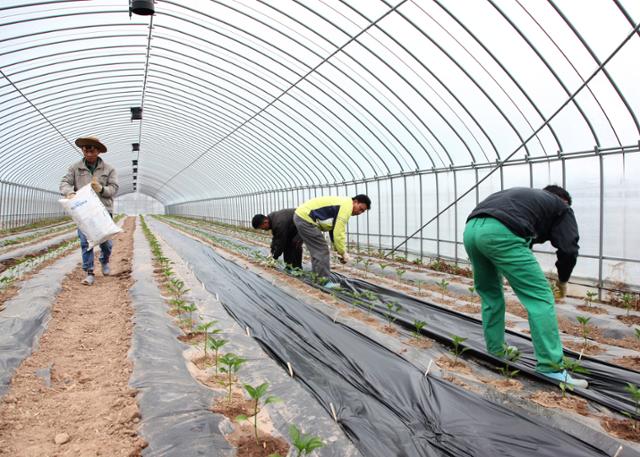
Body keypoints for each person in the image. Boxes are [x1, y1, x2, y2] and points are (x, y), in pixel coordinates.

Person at [463, 185, 587, 388]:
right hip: (501, 233)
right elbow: (568, 248)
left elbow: (523, 237)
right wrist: (562, 281)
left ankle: (496, 350)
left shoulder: (523, 197)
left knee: (490, 294)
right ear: (563, 201)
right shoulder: (561, 207)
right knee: (540, 297)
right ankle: (550, 367)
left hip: (471, 230)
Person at [60, 136, 119, 286]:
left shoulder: (109, 169)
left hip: (103, 210)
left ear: (98, 151)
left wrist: (102, 189)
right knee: (85, 242)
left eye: (91, 149)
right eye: (85, 149)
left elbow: (114, 188)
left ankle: (104, 260)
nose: (88, 152)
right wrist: (68, 192)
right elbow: (65, 182)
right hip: (83, 210)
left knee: (105, 242)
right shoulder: (75, 168)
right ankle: (89, 272)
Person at [293, 194, 371, 288]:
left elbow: (333, 230)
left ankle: (317, 278)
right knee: (322, 250)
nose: (360, 212)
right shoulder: (346, 206)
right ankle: (323, 281)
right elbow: (339, 232)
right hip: (305, 218)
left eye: (363, 211)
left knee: (317, 250)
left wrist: (338, 250)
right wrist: (343, 252)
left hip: (302, 216)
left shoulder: (343, 204)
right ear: (355, 202)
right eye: (360, 208)